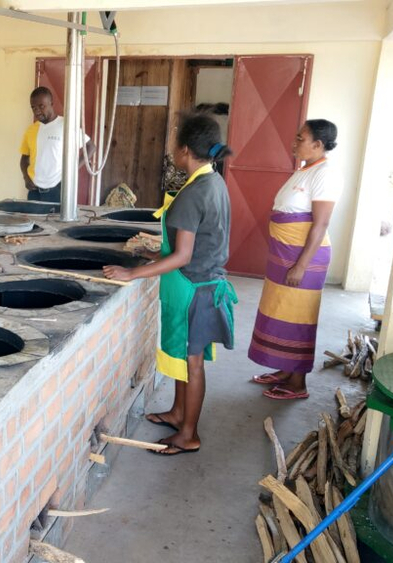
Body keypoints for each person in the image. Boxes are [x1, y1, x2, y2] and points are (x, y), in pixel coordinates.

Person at [102, 112, 236, 456]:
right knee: (184, 357)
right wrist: (151, 253)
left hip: (193, 288)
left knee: (192, 362)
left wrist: (131, 273)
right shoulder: (212, 181)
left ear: (185, 151)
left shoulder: (194, 193)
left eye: (176, 142)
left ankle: (188, 434)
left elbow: (182, 256)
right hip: (201, 282)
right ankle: (179, 413)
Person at [249, 119, 341, 400]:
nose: (294, 142)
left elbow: (321, 224)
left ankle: (297, 383)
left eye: (300, 138)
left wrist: (301, 265)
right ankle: (286, 369)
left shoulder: (325, 173)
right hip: (284, 253)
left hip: (303, 259)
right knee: (280, 312)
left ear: (318, 144)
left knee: (298, 317)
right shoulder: (305, 170)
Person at [19, 87, 95, 203]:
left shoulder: (66, 125)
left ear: (51, 103)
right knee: (34, 221)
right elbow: (24, 158)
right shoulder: (31, 130)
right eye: (33, 107)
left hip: (57, 189)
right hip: (34, 191)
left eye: (41, 106)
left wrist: (73, 169)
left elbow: (90, 147)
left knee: (55, 221)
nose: (37, 111)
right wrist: (26, 177)